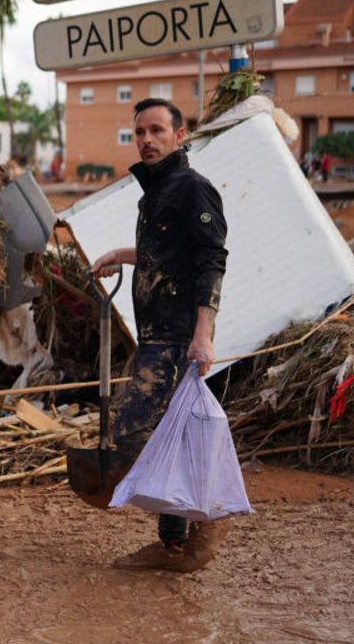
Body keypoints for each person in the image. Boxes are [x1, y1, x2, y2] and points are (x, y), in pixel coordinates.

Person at [90, 98, 230, 572]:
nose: (147, 140)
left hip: (177, 338)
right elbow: (168, 254)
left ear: (179, 135)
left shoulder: (193, 189)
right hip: (157, 334)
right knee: (174, 433)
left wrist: (203, 334)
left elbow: (210, 260)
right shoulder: (156, 193)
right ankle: (174, 544)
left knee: (131, 432)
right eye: (139, 133)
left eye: (156, 130)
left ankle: (207, 523)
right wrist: (121, 253)